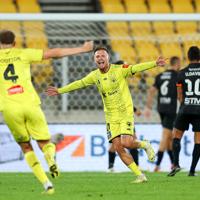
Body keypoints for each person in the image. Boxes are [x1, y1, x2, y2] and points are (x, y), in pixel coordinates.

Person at [46, 46, 167, 183]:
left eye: (103, 56)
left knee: (127, 143)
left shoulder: (119, 70)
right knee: (118, 148)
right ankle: (140, 175)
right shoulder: (95, 75)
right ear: (94, 60)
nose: (100, 58)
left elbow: (136, 68)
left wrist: (154, 63)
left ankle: (145, 145)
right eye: (97, 56)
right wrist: (60, 90)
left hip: (125, 113)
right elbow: (79, 83)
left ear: (108, 58)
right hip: (110, 117)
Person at [0, 30, 93, 194]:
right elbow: (54, 53)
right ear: (15, 43)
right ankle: (50, 157)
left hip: (9, 108)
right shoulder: (23, 53)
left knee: (26, 147)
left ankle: (47, 185)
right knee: (44, 141)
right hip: (30, 104)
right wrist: (83, 49)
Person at [144, 56, 181, 172]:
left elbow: (151, 91)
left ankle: (173, 164)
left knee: (169, 137)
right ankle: (157, 166)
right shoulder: (177, 76)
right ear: (178, 64)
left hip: (161, 109)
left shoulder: (160, 76)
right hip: (171, 109)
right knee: (165, 137)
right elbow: (180, 93)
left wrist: (148, 107)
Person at [168, 46, 200, 177]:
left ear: (188, 57)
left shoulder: (181, 73)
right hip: (199, 109)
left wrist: (183, 105)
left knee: (176, 136)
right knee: (198, 140)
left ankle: (176, 164)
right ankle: (192, 171)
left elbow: (179, 95)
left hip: (185, 108)